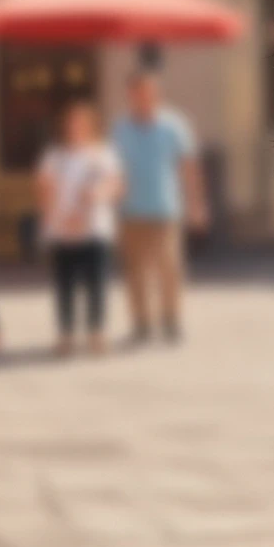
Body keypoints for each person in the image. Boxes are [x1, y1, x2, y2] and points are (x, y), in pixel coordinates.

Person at [111, 69, 207, 343]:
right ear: (131, 94)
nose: (144, 96)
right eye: (138, 91)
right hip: (130, 211)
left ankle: (171, 320)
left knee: (169, 268)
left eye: (149, 91)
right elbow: (112, 169)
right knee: (135, 272)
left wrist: (196, 204)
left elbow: (189, 167)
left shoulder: (174, 126)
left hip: (165, 209)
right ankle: (142, 324)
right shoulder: (120, 128)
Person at [36, 100, 123, 355]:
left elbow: (114, 184)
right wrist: (54, 218)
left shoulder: (103, 154)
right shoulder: (54, 156)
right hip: (62, 229)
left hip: (94, 228)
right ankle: (66, 334)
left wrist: (97, 194)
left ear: (91, 125)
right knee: (64, 284)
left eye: (81, 122)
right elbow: (44, 190)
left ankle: (97, 332)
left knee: (96, 283)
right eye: (71, 122)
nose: (76, 127)